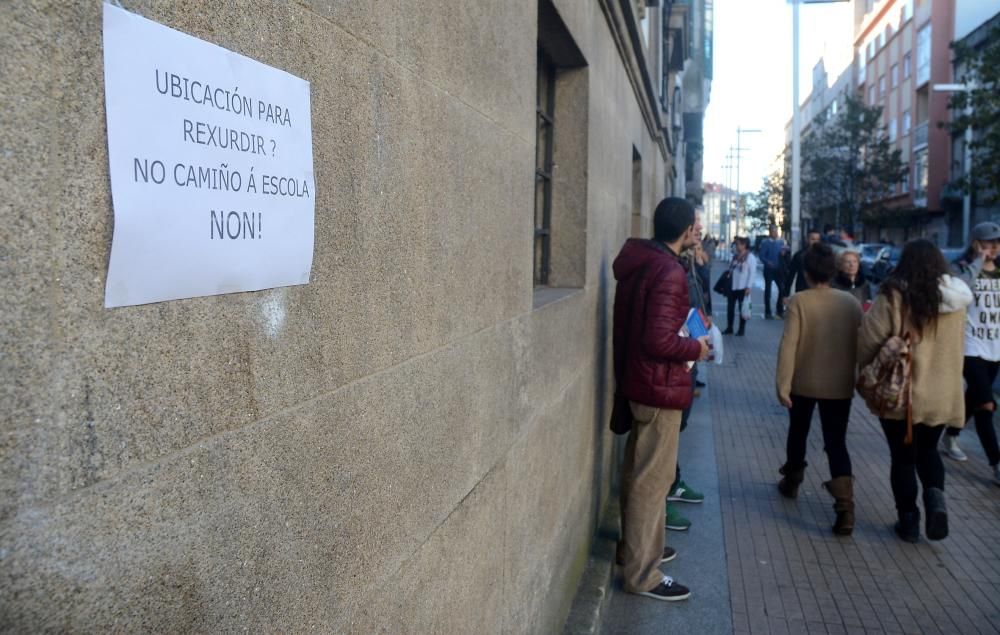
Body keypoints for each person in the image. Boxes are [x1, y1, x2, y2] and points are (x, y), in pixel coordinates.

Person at [612, 197, 710, 601]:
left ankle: (637, 550)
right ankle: (643, 574)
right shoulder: (667, 271)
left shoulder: (645, 261)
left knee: (641, 475)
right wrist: (697, 349)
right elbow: (659, 340)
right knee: (652, 482)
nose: (699, 232)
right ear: (686, 230)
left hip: (643, 383)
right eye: (696, 226)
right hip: (659, 388)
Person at [857, 239, 973, 543]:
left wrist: (868, 365)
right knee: (928, 451)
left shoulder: (894, 296)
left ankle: (908, 520)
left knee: (903, 457)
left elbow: (869, 340)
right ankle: (936, 502)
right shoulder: (958, 300)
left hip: (902, 395)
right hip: (942, 394)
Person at [775, 243, 862, 534]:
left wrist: (782, 385)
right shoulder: (850, 303)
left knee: (797, 431)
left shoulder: (799, 301)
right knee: (836, 442)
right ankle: (845, 508)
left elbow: (789, 346)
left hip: (804, 381)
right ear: (834, 271)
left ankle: (792, 480)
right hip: (840, 385)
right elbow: (860, 343)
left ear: (807, 272)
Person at [943, 222, 1000, 483]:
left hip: (994, 345)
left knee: (975, 396)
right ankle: (996, 463)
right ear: (976, 243)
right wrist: (978, 261)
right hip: (970, 344)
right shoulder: (961, 267)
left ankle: (952, 433)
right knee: (986, 404)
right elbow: (960, 291)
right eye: (989, 243)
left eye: (997, 243)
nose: (994, 248)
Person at [723, 237, 756, 336]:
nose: (736, 246)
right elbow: (731, 269)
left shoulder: (750, 257)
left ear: (744, 245)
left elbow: (752, 273)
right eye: (736, 244)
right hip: (733, 286)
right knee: (730, 308)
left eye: (738, 244)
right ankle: (730, 327)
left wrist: (748, 287)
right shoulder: (735, 256)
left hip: (743, 287)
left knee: (742, 309)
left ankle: (741, 330)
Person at [759, 225, 787, 320]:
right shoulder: (765, 243)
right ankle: (768, 311)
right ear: (770, 232)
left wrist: (784, 253)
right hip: (769, 270)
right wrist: (767, 262)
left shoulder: (781, 242)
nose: (775, 233)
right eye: (773, 231)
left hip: (779, 270)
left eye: (776, 231)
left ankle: (779, 310)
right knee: (768, 290)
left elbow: (785, 252)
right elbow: (761, 256)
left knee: (782, 289)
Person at [784, 230, 822, 297]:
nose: (815, 242)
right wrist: (785, 294)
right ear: (807, 239)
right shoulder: (799, 255)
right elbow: (790, 275)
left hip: (819, 291)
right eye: (813, 239)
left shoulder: (823, 256)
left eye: (817, 239)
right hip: (802, 290)